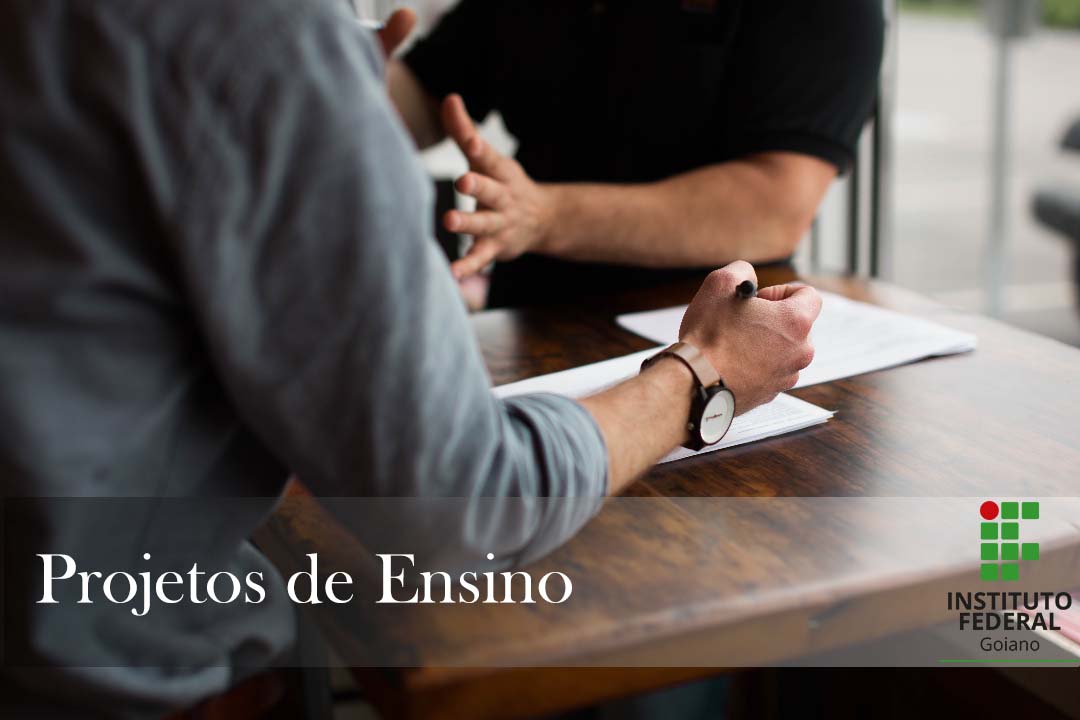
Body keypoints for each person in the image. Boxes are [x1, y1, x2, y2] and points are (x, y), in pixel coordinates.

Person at [0, 0, 820, 715]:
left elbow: (779, 200)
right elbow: (465, 500)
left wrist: (325, 94)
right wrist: (702, 372)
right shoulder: (256, 30)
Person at [389, 0, 885, 307]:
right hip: (530, 316)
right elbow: (429, 92)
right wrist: (350, 85)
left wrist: (542, 215)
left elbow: (773, 205)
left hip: (707, 331)